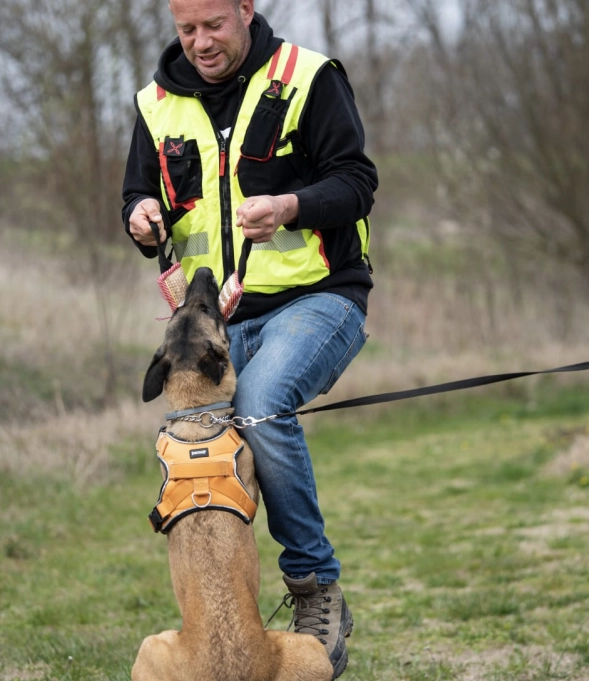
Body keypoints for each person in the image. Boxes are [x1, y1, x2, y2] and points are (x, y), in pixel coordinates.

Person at [121, 0, 377, 676]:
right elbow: (135, 196)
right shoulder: (152, 105)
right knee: (196, 455)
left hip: (320, 297)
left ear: (245, 10)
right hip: (217, 327)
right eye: (186, 30)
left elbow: (358, 183)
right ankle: (223, 628)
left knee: (260, 403)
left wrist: (292, 205)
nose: (200, 42)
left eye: (214, 25)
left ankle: (314, 587)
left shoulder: (309, 77)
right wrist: (140, 215)